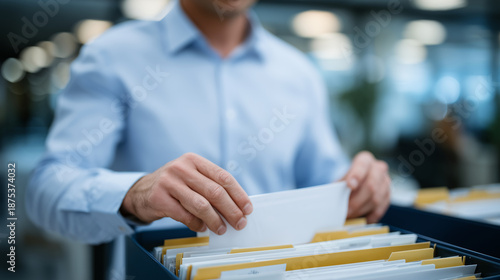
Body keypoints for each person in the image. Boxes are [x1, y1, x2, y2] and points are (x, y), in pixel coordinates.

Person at [28, 0, 390, 246]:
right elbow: (45, 188)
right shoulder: (110, 58)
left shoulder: (299, 73)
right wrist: (136, 193)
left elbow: (323, 184)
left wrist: (357, 188)